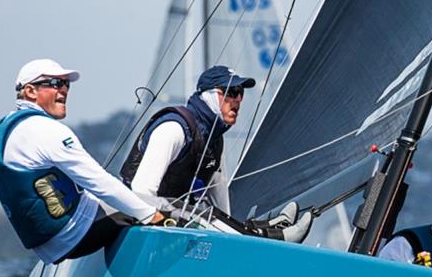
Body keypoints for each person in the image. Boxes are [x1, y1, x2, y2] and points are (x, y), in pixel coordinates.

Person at [0, 58, 166, 264]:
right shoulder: (43, 129)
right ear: (30, 91)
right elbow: (98, 181)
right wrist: (150, 215)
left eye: (66, 84)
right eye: (55, 84)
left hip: (49, 246)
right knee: (166, 208)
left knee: (137, 203)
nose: (64, 90)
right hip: (78, 233)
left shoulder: (4, 129)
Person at [120, 65, 312, 243]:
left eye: (241, 94)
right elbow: (141, 192)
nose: (237, 100)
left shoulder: (214, 141)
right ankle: (272, 240)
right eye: (231, 92)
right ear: (209, 95)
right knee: (202, 214)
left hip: (170, 220)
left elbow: (220, 209)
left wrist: (231, 233)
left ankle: (261, 231)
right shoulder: (174, 129)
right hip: (134, 224)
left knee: (209, 215)